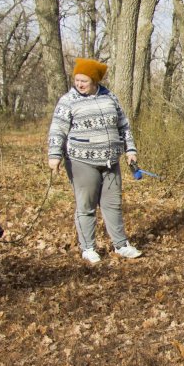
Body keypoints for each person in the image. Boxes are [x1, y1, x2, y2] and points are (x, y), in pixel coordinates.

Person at [47, 58, 142, 264]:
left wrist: (130, 150)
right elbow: (57, 129)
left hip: (110, 161)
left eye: (85, 80)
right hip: (82, 160)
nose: (80, 84)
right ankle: (88, 248)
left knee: (113, 204)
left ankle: (121, 245)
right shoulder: (68, 100)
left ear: (95, 81)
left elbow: (123, 126)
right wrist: (54, 155)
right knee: (86, 205)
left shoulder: (110, 98)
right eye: (77, 80)